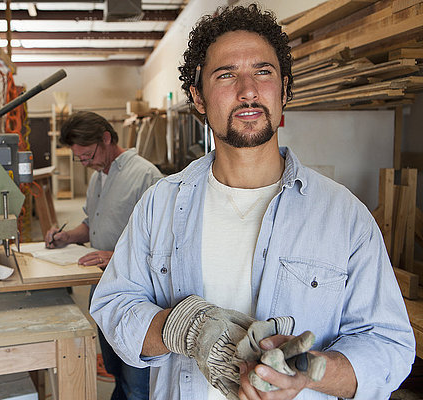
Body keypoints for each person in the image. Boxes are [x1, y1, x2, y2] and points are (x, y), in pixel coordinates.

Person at [90, 4, 415, 400]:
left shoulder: (345, 217)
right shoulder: (160, 205)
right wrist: (187, 329)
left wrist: (311, 372)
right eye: (226, 75)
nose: (248, 90)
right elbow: (114, 306)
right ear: (198, 97)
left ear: (284, 89)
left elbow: (390, 346)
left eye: (263, 72)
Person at [44, 110, 162, 400]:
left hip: (138, 294)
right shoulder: (98, 178)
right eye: (79, 158)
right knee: (114, 368)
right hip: (103, 288)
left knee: (137, 379)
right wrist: (66, 237)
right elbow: (92, 225)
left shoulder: (145, 175)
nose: (84, 163)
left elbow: (164, 241)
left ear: (106, 138)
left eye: (87, 155)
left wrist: (118, 256)